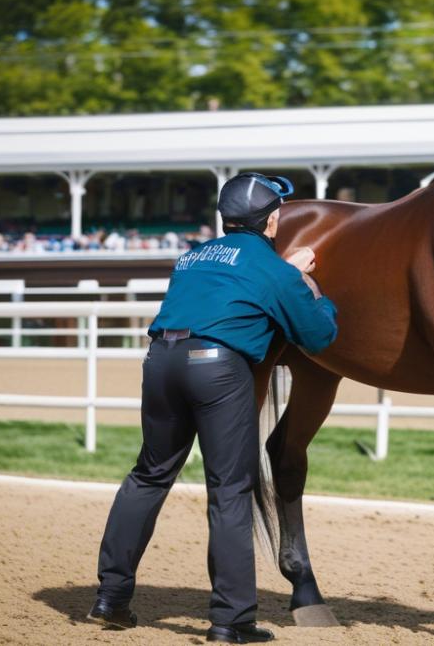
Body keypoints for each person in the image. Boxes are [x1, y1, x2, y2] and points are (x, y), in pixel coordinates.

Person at [88, 172, 338, 644]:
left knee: (149, 475)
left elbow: (230, 283)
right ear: (271, 220)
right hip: (218, 369)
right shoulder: (276, 269)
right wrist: (304, 281)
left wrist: (281, 270)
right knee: (229, 490)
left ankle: (111, 598)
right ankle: (232, 620)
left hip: (160, 360)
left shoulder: (190, 257)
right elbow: (320, 336)